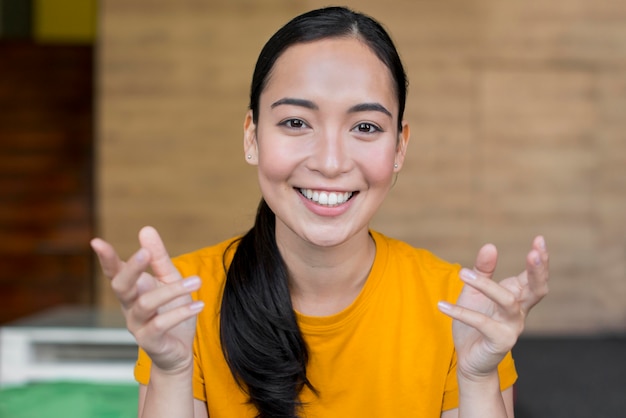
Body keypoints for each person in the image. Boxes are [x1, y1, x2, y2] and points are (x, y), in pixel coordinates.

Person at [91, 6, 549, 418]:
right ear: (252, 137)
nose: (330, 162)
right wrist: (172, 371)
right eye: (295, 122)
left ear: (399, 147)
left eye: (365, 127)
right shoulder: (188, 302)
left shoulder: (456, 308)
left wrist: (477, 380)